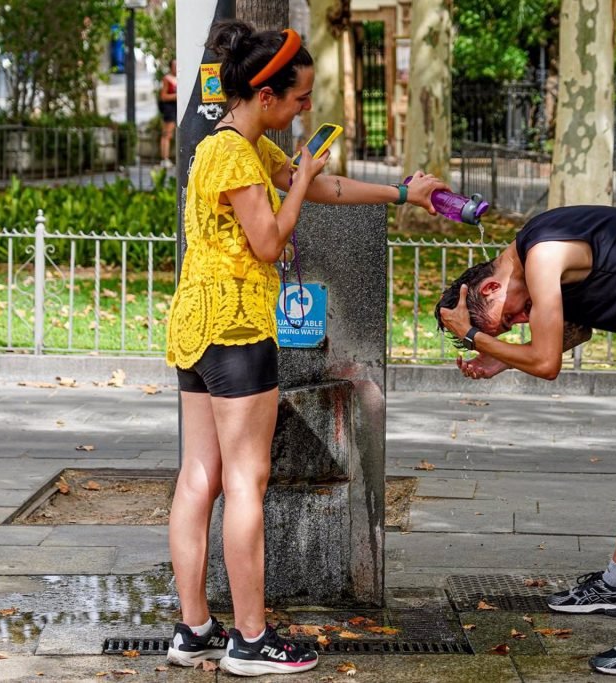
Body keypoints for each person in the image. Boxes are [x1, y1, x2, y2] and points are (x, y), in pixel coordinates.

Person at [164, 20, 447, 677]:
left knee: (199, 477)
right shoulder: (238, 156)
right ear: (265, 94)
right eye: (299, 97)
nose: (306, 108)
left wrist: (402, 192)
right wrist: (300, 180)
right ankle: (252, 639)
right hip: (234, 327)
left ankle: (194, 627)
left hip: (195, 326)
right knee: (244, 482)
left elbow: (317, 186)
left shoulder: (231, 144)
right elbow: (269, 241)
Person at [435, 205, 616, 676]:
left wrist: (474, 336)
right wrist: (502, 358)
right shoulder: (533, 257)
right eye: (511, 327)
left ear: (490, 289)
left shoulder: (544, 255)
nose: (519, 322)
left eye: (507, 319)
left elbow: (548, 362)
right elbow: (578, 329)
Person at [158, 59, 178, 168]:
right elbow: (163, 96)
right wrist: (176, 96)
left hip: (177, 108)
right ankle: (164, 158)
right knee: (167, 134)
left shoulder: (180, 78)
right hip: (169, 108)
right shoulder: (167, 79)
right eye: (174, 65)